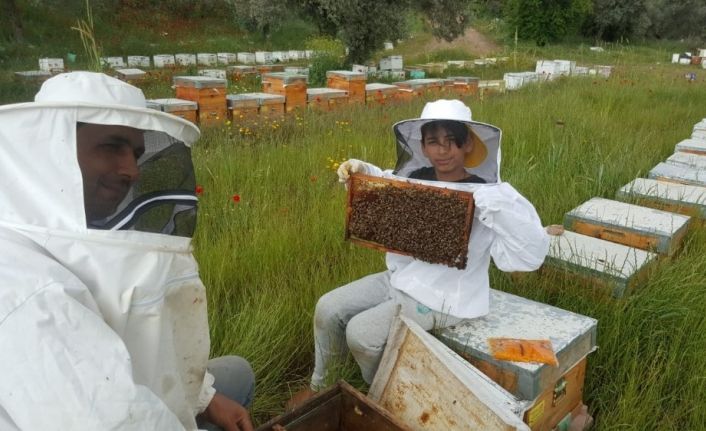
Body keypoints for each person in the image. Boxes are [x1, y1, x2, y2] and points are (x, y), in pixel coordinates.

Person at [0, 72, 254, 431]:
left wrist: (205, 399)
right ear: (50, 148)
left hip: (110, 386)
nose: (132, 170)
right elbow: (121, 421)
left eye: (135, 153)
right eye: (111, 146)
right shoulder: (29, 299)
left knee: (238, 375)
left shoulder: (48, 227)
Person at [288, 99, 550, 406]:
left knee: (361, 335)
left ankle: (386, 400)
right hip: (402, 278)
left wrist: (495, 202)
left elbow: (530, 252)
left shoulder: (487, 192)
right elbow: (386, 181)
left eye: (452, 141)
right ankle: (323, 388)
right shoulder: (417, 176)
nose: (443, 150)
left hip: (446, 296)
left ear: (468, 145)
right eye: (434, 142)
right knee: (328, 308)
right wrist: (361, 171)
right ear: (423, 146)